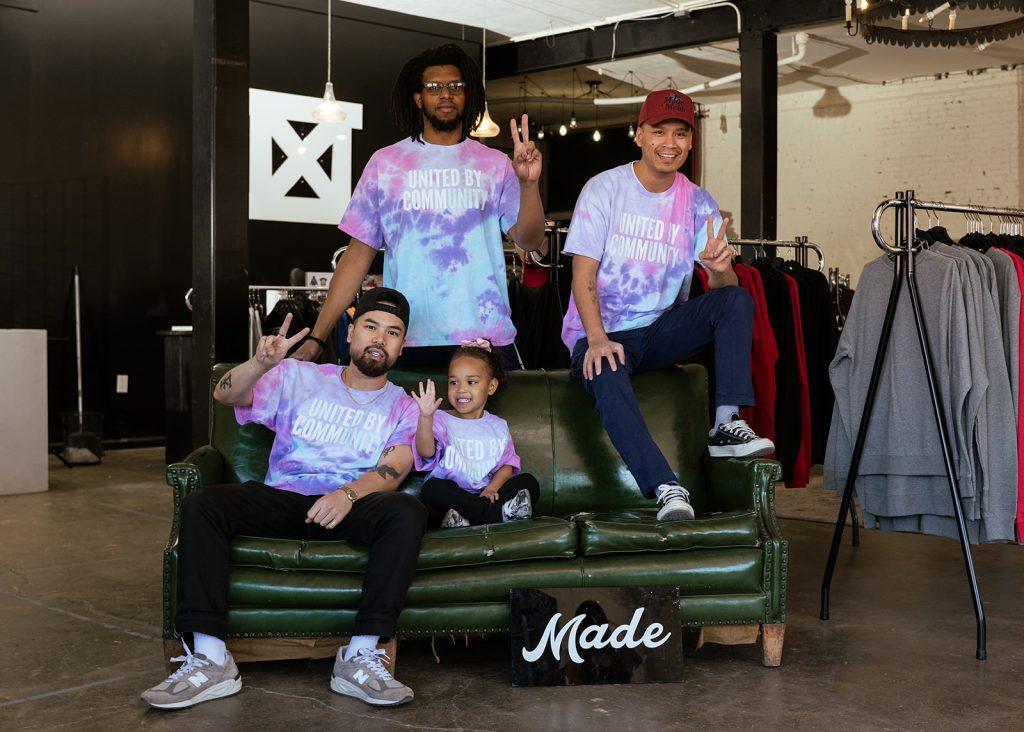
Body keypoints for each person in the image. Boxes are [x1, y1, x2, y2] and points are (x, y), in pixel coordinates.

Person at [141, 288, 426, 710]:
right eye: (371, 326)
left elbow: (395, 468)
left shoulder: (404, 406)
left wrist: (347, 494)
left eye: (393, 332)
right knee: (204, 504)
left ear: (402, 347)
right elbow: (225, 395)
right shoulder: (299, 376)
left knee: (406, 511)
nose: (379, 339)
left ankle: (361, 655)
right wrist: (260, 364)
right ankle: (211, 659)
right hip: (284, 497)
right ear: (350, 333)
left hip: (350, 507)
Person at [561, 89, 774, 523]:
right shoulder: (603, 189)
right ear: (639, 135)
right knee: (605, 366)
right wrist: (597, 339)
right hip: (602, 332)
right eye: (659, 131)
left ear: (691, 142)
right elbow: (583, 276)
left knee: (736, 297)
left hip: (660, 331)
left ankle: (726, 423)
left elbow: (724, 290)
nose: (670, 143)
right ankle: (665, 488)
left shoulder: (698, 201)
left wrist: (718, 270)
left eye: (680, 133)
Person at [293, 43, 546, 369]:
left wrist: (529, 185)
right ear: (417, 98)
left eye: (455, 86)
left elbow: (530, 240)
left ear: (467, 95)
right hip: (406, 338)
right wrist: (317, 338)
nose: (446, 94)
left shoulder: (495, 165)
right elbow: (356, 257)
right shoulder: (386, 164)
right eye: (434, 87)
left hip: (484, 338)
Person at [410, 345, 539, 527]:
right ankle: (495, 515)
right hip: (454, 498)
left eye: (471, 382)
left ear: (491, 386)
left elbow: (506, 465)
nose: (460, 390)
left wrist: (492, 488)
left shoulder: (498, 426)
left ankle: (469, 519)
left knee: (528, 482)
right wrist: (425, 417)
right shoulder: (439, 418)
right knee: (433, 489)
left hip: (486, 495)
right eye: (453, 382)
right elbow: (425, 452)